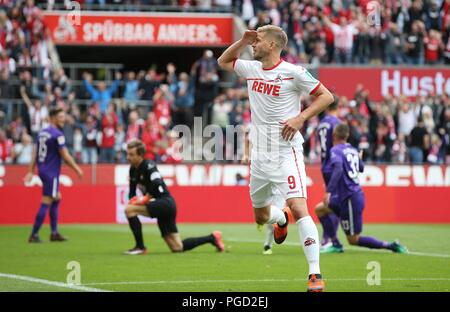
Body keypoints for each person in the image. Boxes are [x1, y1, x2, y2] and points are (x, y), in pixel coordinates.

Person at [218, 25, 334, 292]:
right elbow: (223, 61)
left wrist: (300, 117)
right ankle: (280, 220)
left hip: (286, 151)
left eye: (257, 41)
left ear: (272, 45)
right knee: (260, 217)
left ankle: (315, 275)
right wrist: (242, 40)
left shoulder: (293, 73)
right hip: (259, 154)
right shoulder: (251, 68)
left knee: (298, 205)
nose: (253, 45)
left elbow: (326, 96)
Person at [316, 124, 408, 254]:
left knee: (353, 239)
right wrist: (359, 158)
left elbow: (338, 169)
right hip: (346, 196)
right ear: (347, 136)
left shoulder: (335, 150)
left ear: (334, 136)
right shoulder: (353, 150)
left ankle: (391, 246)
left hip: (349, 198)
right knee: (320, 210)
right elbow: (361, 168)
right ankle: (335, 243)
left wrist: (328, 191)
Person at [123, 140, 225, 255]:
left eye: (131, 154)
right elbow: (132, 192)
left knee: (129, 210)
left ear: (140, 155)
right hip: (159, 205)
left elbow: (156, 182)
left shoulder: (148, 165)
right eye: (127, 154)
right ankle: (212, 238)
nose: (128, 157)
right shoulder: (133, 170)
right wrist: (133, 199)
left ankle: (140, 247)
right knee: (177, 247)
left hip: (165, 203)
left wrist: (145, 198)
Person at [24, 107, 83, 243]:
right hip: (51, 172)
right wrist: (77, 169)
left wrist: (31, 171)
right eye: (61, 117)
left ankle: (54, 233)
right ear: (53, 118)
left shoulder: (41, 133)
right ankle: (34, 234)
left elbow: (35, 153)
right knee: (47, 200)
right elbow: (65, 156)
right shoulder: (57, 134)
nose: (64, 120)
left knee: (56, 198)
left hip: (43, 170)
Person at [314, 100, 343, 253]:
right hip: (334, 163)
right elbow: (339, 145)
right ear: (338, 108)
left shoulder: (321, 123)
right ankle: (331, 239)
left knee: (330, 201)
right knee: (335, 203)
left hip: (324, 164)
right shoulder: (337, 123)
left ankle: (328, 239)